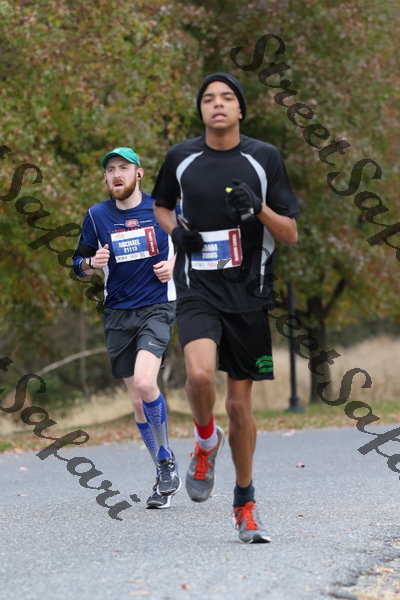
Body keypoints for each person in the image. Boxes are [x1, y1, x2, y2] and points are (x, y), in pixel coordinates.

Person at [152, 73, 299, 542]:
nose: (217, 104)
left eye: (227, 98)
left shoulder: (263, 158)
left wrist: (259, 209)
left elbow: (290, 233)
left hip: (249, 293)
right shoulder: (181, 157)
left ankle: (245, 504)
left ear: (240, 109)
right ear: (201, 110)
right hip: (197, 286)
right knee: (198, 375)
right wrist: (177, 233)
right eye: (209, 99)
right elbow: (161, 206)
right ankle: (203, 441)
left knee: (238, 407)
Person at [72, 147, 181, 509]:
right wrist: (91, 262)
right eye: (110, 169)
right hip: (118, 313)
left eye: (123, 167)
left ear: (139, 173)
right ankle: (162, 472)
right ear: (105, 178)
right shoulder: (97, 215)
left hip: (157, 306)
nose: (116, 174)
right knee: (136, 400)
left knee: (147, 383)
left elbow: (193, 242)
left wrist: (175, 265)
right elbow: (76, 263)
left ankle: (166, 459)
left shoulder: (162, 208)